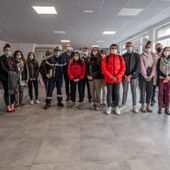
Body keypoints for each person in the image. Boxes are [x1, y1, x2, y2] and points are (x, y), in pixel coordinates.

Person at [102, 43, 126, 115]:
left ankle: (117, 107)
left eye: (115, 48)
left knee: (117, 93)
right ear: (110, 49)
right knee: (109, 93)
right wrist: (111, 76)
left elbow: (123, 68)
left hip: (117, 79)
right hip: (109, 79)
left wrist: (117, 76)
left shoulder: (120, 58)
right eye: (112, 48)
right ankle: (109, 106)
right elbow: (103, 69)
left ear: (117, 49)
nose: (114, 49)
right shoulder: (106, 58)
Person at [122, 42, 140, 113]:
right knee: (125, 91)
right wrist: (125, 75)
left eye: (130, 46)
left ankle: (134, 105)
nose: (129, 47)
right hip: (125, 76)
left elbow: (137, 67)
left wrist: (131, 75)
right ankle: (123, 104)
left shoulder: (137, 56)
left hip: (133, 76)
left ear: (133, 47)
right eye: (128, 46)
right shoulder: (123, 56)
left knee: (134, 91)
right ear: (126, 47)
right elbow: (122, 67)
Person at [140, 41, 158, 113]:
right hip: (143, 73)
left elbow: (155, 66)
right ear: (144, 48)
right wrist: (145, 75)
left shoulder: (155, 56)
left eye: (149, 47)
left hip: (151, 73)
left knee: (150, 91)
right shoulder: (141, 55)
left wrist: (151, 75)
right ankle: (142, 105)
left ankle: (148, 105)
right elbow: (141, 66)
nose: (148, 48)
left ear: (151, 48)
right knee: (143, 90)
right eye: (146, 47)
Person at [0, 43, 18, 112]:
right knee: (7, 92)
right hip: (5, 78)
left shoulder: (12, 58)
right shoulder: (1, 58)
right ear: (4, 50)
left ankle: (12, 105)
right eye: (6, 50)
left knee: (13, 91)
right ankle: (8, 106)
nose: (8, 52)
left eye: (9, 50)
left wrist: (14, 72)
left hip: (13, 77)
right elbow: (2, 68)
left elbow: (15, 67)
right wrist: (10, 73)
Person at [157, 47, 170, 115]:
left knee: (168, 94)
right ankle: (160, 108)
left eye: (168, 50)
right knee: (160, 93)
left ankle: (167, 109)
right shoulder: (159, 59)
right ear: (163, 51)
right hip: (161, 78)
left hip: (169, 79)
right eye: (165, 50)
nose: (166, 52)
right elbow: (158, 70)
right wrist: (165, 77)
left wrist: (168, 77)